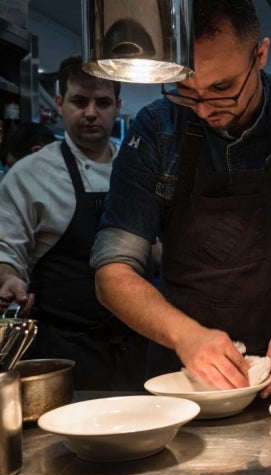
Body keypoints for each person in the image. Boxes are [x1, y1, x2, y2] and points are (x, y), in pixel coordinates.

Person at [90, 0, 271, 398]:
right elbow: (112, 272)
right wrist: (186, 335)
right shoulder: (154, 131)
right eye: (186, 89)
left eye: (222, 88)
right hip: (187, 380)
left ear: (261, 54)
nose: (203, 110)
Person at [0, 55, 148, 389]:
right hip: (64, 353)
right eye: (80, 102)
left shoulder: (137, 166)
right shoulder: (31, 174)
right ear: (59, 103)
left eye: (103, 102)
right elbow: (7, 248)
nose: (92, 113)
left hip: (135, 345)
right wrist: (9, 278)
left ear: (117, 105)